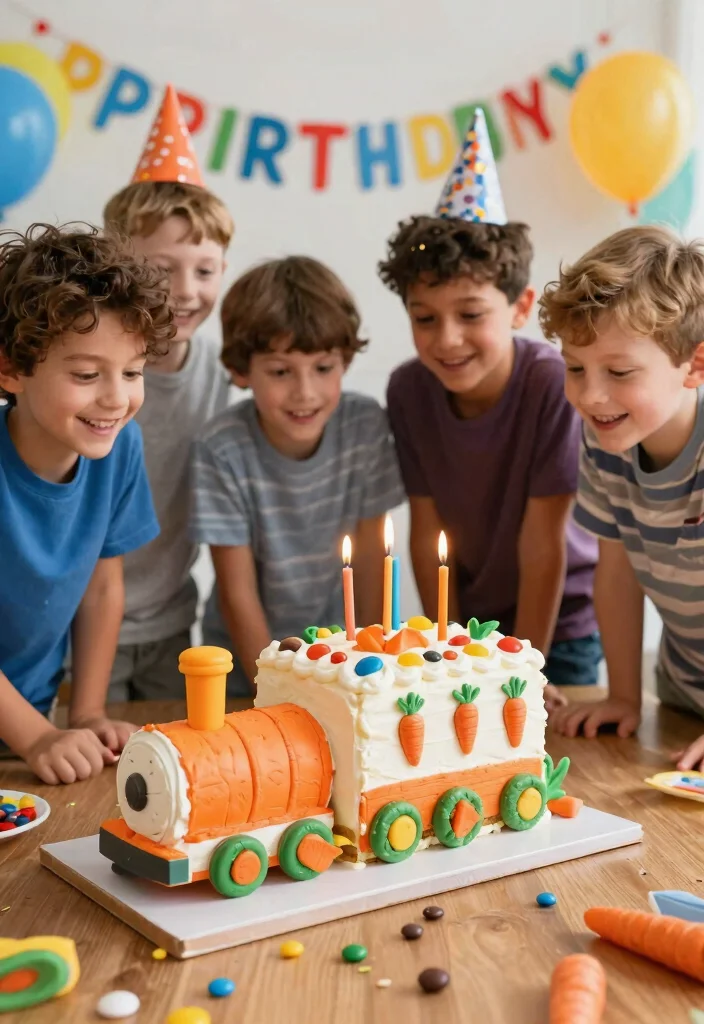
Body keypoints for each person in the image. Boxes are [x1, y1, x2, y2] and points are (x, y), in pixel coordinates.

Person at [379, 108, 600, 693]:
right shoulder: (408, 390)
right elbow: (425, 534)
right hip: (468, 627)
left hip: (557, 631)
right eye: (424, 318)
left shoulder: (551, 384)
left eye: (471, 315)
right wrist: (445, 651)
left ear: (521, 308)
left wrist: (528, 667)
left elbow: (544, 541)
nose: (446, 339)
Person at [0, 222, 173, 784]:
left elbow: (102, 588)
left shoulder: (120, 448)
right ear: (11, 368)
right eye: (85, 374)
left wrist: (87, 713)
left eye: (132, 372)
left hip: (30, 725)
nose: (116, 399)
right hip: (28, 734)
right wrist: (38, 737)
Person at [190, 255, 405, 693]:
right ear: (241, 370)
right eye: (281, 371)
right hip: (245, 669)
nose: (305, 392)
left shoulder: (364, 426)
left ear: (344, 361)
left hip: (339, 659)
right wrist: (274, 690)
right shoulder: (220, 449)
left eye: (323, 368)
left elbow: (368, 567)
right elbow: (237, 594)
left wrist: (368, 665)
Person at [539, 225, 704, 766]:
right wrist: (624, 696)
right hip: (684, 699)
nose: (590, 395)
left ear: (694, 364)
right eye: (575, 368)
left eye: (620, 371)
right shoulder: (605, 438)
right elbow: (616, 572)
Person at [103, 84, 233, 701]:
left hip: (173, 620)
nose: (184, 291)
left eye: (204, 270)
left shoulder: (221, 370)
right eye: (160, 270)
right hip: (80, 622)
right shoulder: (90, 377)